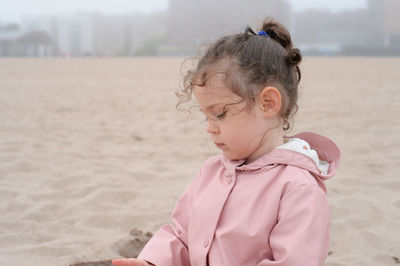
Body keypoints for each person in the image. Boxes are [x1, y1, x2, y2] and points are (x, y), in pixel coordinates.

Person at [112, 17, 340, 266]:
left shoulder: (298, 189)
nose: (210, 128)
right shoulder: (212, 172)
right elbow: (181, 237)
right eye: (206, 116)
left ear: (268, 103)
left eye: (219, 114)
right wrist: (153, 262)